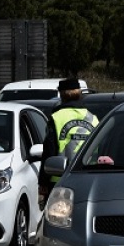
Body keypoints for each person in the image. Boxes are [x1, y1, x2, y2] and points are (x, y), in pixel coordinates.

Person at [38, 77, 98, 207]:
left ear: (61, 95)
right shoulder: (93, 118)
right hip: (88, 179)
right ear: (79, 94)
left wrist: (43, 182)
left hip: (60, 180)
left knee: (58, 216)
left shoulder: (56, 117)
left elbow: (49, 151)